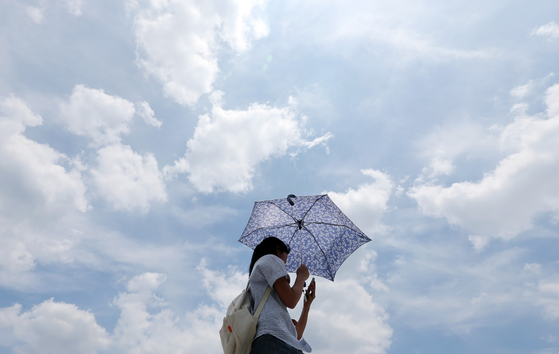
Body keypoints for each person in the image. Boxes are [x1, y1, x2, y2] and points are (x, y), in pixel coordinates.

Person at [248, 236, 316, 354]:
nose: (285, 262)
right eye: (286, 256)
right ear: (278, 250)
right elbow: (291, 300)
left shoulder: (267, 299)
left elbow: (296, 335)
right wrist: (301, 276)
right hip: (275, 341)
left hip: (271, 342)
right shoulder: (270, 259)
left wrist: (306, 305)